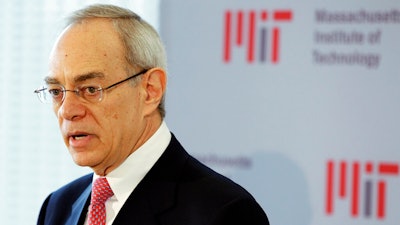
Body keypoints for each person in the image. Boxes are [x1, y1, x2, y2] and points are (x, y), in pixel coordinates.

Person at [35, 4, 269, 225]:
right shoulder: (58, 206)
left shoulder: (224, 213)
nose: (67, 110)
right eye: (56, 91)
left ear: (150, 90)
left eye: (90, 89)